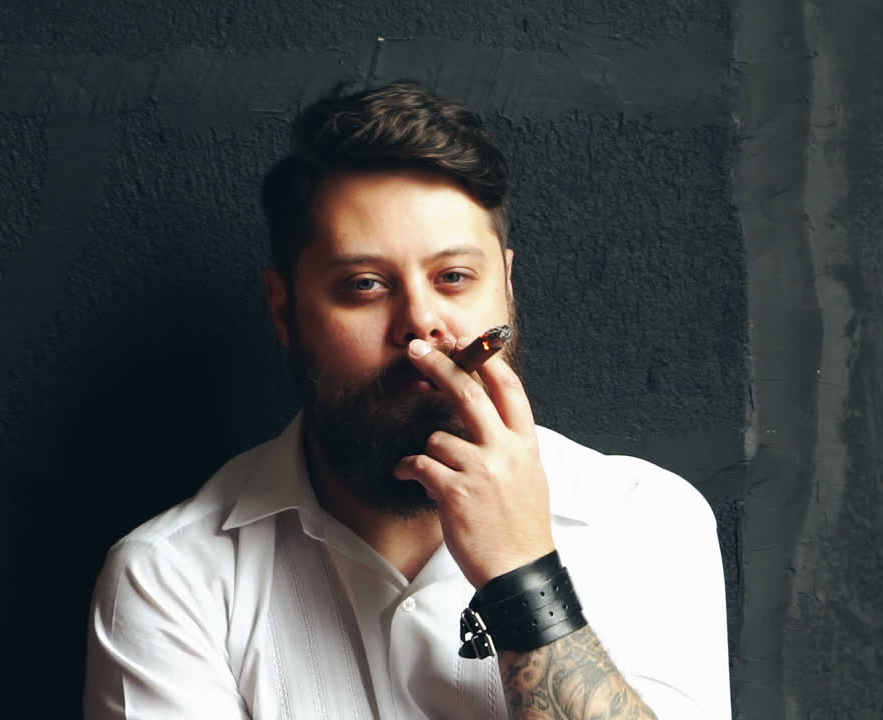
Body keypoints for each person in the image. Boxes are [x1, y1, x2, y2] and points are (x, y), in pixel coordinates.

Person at [83, 79, 730, 719]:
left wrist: (524, 577)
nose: (422, 323)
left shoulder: (646, 524)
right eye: (364, 284)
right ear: (285, 310)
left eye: (453, 277)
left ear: (505, 287)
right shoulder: (170, 578)